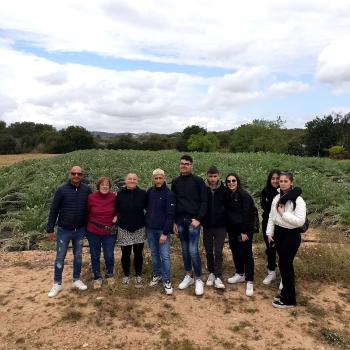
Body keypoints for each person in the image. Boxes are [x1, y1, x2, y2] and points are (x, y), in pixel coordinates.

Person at [47, 166, 91, 297]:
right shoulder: (62, 190)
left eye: (79, 173)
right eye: (74, 173)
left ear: (82, 175)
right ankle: (57, 284)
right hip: (64, 230)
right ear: (70, 174)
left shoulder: (86, 189)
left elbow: (91, 208)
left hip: (80, 230)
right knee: (60, 256)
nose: (76, 175)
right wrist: (50, 229)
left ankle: (76, 279)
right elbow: (54, 210)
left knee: (78, 256)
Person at [266, 171, 306, 308]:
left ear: (291, 182)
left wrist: (284, 214)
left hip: (291, 235)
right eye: (281, 181)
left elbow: (299, 222)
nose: (282, 183)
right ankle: (285, 293)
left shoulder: (298, 201)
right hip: (279, 233)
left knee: (286, 265)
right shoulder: (277, 197)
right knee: (283, 265)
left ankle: (289, 300)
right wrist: (269, 233)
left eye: (285, 181)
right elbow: (271, 217)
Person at [171, 154, 208, 296]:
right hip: (180, 220)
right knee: (185, 250)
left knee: (193, 250)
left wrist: (198, 219)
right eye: (182, 163)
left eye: (187, 163)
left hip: (193, 221)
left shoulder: (198, 181)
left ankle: (198, 278)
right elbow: (173, 202)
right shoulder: (175, 182)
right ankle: (189, 275)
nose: (184, 165)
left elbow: (204, 201)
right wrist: (174, 221)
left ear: (191, 165)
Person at [260, 170, 302, 285]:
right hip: (270, 223)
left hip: (286, 226)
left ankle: (285, 276)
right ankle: (271, 271)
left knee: (284, 253)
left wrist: (283, 200)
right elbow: (268, 211)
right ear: (269, 180)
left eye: (278, 179)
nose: (276, 181)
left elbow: (298, 190)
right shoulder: (266, 192)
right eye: (272, 178)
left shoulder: (290, 193)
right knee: (270, 248)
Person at [224, 173, 256, 297]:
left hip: (244, 230)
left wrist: (245, 232)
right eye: (228, 181)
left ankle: (249, 280)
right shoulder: (227, 195)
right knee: (235, 251)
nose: (231, 183)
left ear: (238, 181)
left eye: (233, 180)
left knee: (247, 254)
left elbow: (249, 215)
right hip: (232, 230)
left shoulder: (244, 196)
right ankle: (240, 273)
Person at [145, 169, 175, 295]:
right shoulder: (150, 192)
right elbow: (147, 207)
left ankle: (167, 280)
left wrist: (165, 232)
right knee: (154, 254)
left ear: (164, 178)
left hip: (162, 231)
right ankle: (157, 275)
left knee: (165, 256)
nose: (158, 180)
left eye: (160, 178)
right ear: (153, 179)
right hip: (150, 229)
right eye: (156, 178)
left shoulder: (169, 194)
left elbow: (170, 215)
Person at [116, 173, 147, 287]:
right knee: (125, 253)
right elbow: (116, 209)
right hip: (124, 228)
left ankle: (138, 275)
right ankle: (126, 275)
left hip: (139, 227)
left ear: (137, 181)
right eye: (130, 179)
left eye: (134, 179)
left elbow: (148, 208)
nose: (132, 180)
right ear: (126, 180)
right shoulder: (120, 194)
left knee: (138, 253)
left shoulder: (143, 194)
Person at [86, 176, 117, 289]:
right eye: (102, 184)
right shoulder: (91, 197)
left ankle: (109, 275)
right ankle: (97, 277)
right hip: (93, 231)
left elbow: (120, 209)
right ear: (98, 186)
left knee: (109, 255)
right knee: (95, 255)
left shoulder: (114, 197)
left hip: (109, 232)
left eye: (107, 185)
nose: (105, 186)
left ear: (110, 186)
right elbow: (87, 213)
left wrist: (117, 216)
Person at [202, 166, 227, 289]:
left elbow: (228, 208)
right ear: (207, 176)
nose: (212, 179)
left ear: (219, 176)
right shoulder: (203, 189)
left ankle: (218, 275)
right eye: (210, 176)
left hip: (221, 226)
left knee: (218, 251)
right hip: (207, 225)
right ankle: (211, 272)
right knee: (208, 250)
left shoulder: (224, 190)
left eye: (215, 176)